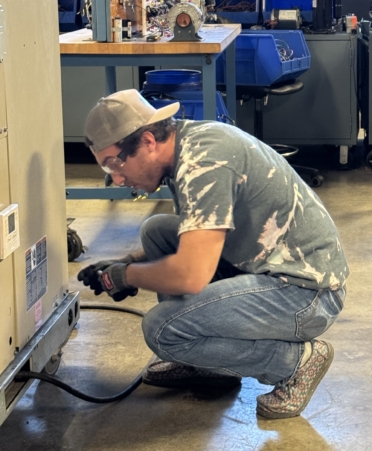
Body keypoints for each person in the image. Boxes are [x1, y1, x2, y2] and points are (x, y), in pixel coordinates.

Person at [77, 89, 349, 419]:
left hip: (306, 293)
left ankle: (295, 363)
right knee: (157, 232)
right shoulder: (186, 145)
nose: (118, 178)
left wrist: (124, 276)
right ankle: (209, 364)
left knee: (162, 329)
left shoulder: (203, 164)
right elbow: (198, 237)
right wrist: (131, 262)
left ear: (148, 141)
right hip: (270, 266)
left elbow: (191, 275)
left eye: (115, 164)